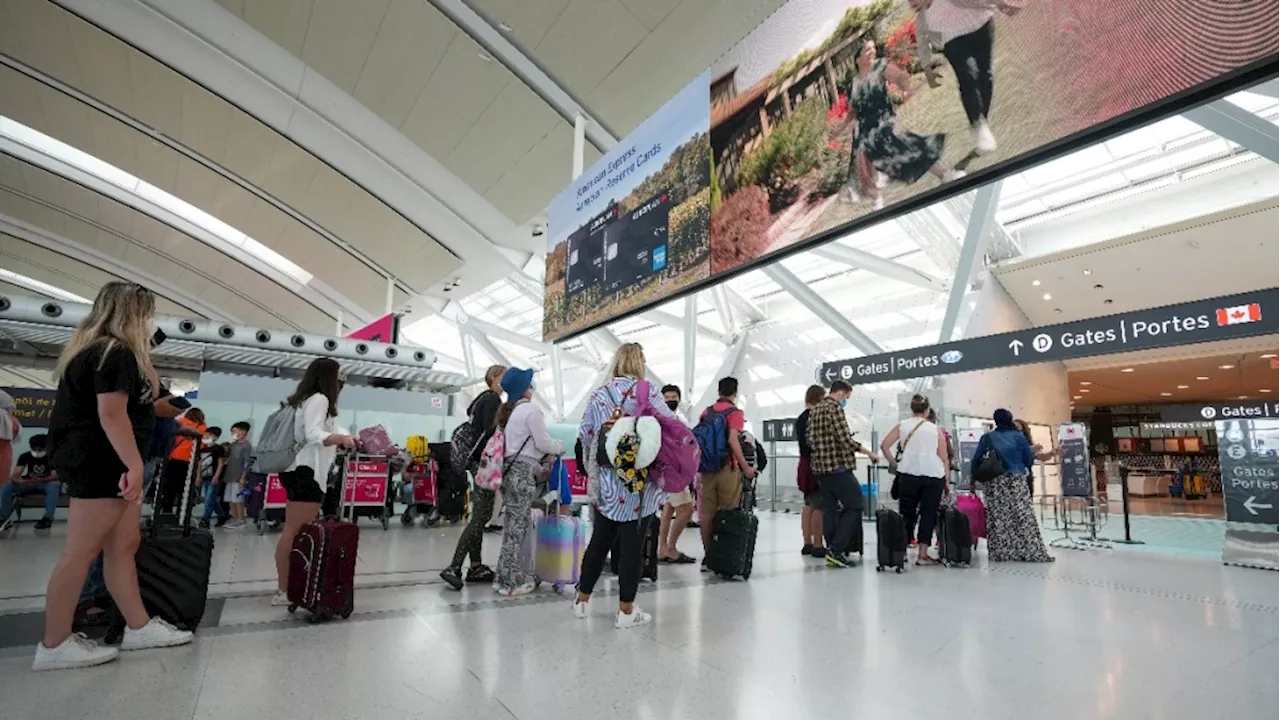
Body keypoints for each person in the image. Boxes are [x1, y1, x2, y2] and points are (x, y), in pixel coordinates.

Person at [36, 282, 193, 671]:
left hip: (113, 460)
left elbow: (141, 402)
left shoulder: (114, 352)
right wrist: (135, 466)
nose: (151, 321)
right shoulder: (113, 352)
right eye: (147, 313)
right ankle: (54, 644)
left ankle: (138, 626)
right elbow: (110, 414)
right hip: (104, 461)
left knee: (124, 544)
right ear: (134, 314)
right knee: (81, 551)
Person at [573, 343, 676, 629]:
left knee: (600, 540)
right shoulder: (649, 391)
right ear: (638, 362)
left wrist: (593, 472)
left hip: (607, 482)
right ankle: (626, 611)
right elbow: (669, 427)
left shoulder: (599, 394)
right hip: (638, 484)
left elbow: (585, 437)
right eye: (643, 358)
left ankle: (582, 600)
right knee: (632, 546)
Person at [271, 358, 357, 607]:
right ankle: (284, 589)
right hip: (305, 471)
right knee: (294, 531)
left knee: (293, 530)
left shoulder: (305, 399)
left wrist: (341, 437)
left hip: (297, 470)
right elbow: (313, 434)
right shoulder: (319, 398)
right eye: (340, 375)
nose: (342, 380)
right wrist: (341, 437)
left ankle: (287, 586)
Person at [842, 40, 965, 211]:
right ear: (858, 58)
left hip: (884, 123)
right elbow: (854, 110)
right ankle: (877, 199)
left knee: (909, 147)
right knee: (866, 169)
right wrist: (840, 129)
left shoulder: (880, 67)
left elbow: (900, 77)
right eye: (867, 49)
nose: (872, 51)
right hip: (863, 131)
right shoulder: (853, 84)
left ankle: (945, 174)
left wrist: (906, 89)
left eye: (873, 49)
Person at [911, 0, 1022, 156]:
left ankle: (981, 122)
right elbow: (922, 43)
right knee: (967, 75)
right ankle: (978, 124)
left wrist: (1001, 4)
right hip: (953, 41)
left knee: (986, 74)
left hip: (981, 25)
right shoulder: (923, 18)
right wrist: (928, 70)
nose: (911, 3)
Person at [492, 368, 563, 596]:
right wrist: (559, 447)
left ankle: (501, 577)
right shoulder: (531, 410)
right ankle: (512, 582)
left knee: (511, 527)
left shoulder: (513, 413)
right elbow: (543, 443)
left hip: (510, 472)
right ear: (525, 388)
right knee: (518, 528)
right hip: (522, 474)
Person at [440, 365, 506, 590]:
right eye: (504, 377)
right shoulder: (491, 401)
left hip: (476, 461)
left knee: (479, 513)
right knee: (481, 515)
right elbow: (489, 433)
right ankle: (454, 566)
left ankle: (476, 566)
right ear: (495, 378)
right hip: (483, 463)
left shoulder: (480, 400)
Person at [807, 380, 879, 567]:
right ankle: (836, 550)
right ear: (840, 393)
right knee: (855, 505)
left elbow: (810, 439)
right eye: (846, 397)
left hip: (821, 469)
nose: (845, 400)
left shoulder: (815, 409)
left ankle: (832, 550)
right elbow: (845, 439)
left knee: (830, 509)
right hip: (837, 468)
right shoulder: (834, 408)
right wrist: (869, 452)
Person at [972, 409, 1053, 563]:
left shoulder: (987, 437)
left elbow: (976, 460)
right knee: (1022, 516)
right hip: (1016, 480)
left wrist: (973, 479)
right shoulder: (1018, 437)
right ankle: (1028, 550)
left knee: (998, 516)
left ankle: (1001, 552)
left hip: (995, 481)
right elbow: (1028, 459)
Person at [880, 395, 950, 565]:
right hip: (933, 475)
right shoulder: (935, 430)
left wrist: (895, 464)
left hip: (908, 474)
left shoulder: (902, 426)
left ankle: (902, 552)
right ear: (927, 410)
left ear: (912, 409)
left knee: (907, 514)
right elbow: (944, 457)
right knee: (928, 514)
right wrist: (946, 480)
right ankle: (922, 555)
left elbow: (884, 445)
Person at [696, 377, 756, 566]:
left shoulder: (707, 411)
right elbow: (732, 440)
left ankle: (709, 556)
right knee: (729, 513)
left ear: (719, 391)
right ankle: (725, 557)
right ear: (735, 393)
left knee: (706, 515)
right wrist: (746, 467)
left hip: (706, 469)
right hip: (727, 469)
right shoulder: (735, 413)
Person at [657, 384, 696, 564]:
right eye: (668, 397)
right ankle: (671, 548)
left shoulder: (661, 418)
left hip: (664, 472)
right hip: (674, 471)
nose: (671, 400)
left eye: (674, 397)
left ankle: (662, 547)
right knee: (687, 508)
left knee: (668, 508)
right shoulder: (672, 420)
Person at [1, 434, 61, 531]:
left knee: (54, 485)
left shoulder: (52, 456)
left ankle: (47, 518)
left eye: (40, 449)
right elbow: (15, 475)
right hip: (28, 483)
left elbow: (55, 476)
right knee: (7, 486)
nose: (37, 452)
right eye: (35, 449)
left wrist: (40, 480)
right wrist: (23, 481)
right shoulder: (25, 456)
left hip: (46, 483)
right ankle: (3, 518)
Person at [795, 385, 826, 557]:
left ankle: (807, 542)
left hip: (804, 464)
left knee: (808, 504)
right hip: (816, 464)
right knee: (819, 506)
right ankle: (818, 545)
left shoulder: (800, 418)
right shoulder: (814, 417)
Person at [157, 407, 205, 514]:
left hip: (173, 458)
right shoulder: (202, 428)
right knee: (185, 488)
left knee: (170, 486)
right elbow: (202, 446)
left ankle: (167, 510)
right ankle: (182, 512)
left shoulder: (180, 423)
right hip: (190, 460)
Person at [222, 421, 253, 528]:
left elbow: (247, 462)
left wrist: (243, 477)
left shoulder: (246, 446)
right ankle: (235, 518)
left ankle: (241, 520)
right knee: (230, 499)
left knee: (238, 500)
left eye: (234, 431)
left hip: (238, 477)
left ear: (243, 432)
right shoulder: (233, 445)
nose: (233, 434)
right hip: (230, 475)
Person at [1014, 418, 1055, 499]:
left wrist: (1051, 453)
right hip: (1012, 479)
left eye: (1018, 430)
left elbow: (1041, 457)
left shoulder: (1028, 444)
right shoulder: (1007, 443)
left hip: (1026, 478)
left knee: (1027, 502)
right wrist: (1029, 449)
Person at [196, 427, 226, 529]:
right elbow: (199, 463)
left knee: (209, 498)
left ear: (215, 437)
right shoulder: (202, 449)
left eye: (208, 435)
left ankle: (205, 519)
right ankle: (222, 515)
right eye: (205, 435)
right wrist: (198, 476)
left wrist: (217, 476)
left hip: (214, 477)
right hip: (204, 477)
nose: (205, 437)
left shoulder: (218, 449)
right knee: (208, 498)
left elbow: (220, 463)